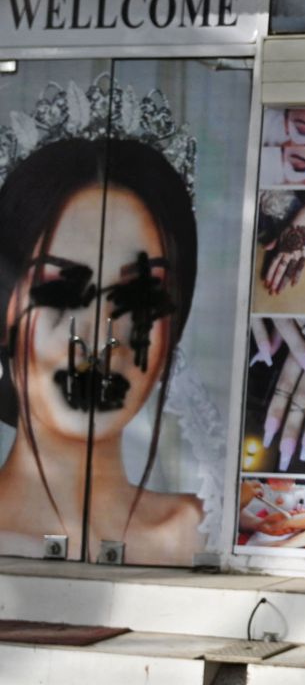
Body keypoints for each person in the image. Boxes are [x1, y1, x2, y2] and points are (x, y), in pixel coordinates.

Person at [0, 136, 201, 565]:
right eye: (60, 290)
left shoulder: (211, 533)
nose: (95, 339)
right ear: (6, 311)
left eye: (140, 297)